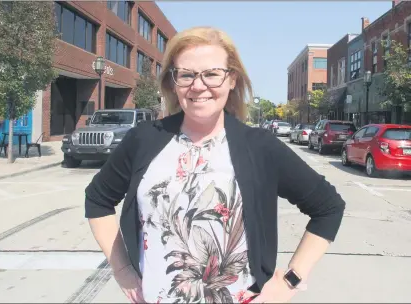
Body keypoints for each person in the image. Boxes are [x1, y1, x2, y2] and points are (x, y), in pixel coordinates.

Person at [85, 26, 346, 304]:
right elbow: (98, 199)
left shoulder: (259, 146)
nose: (199, 86)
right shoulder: (144, 139)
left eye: (212, 73)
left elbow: (328, 207)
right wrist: (123, 270)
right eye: (186, 74)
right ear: (174, 82)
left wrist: (290, 281)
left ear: (231, 79)